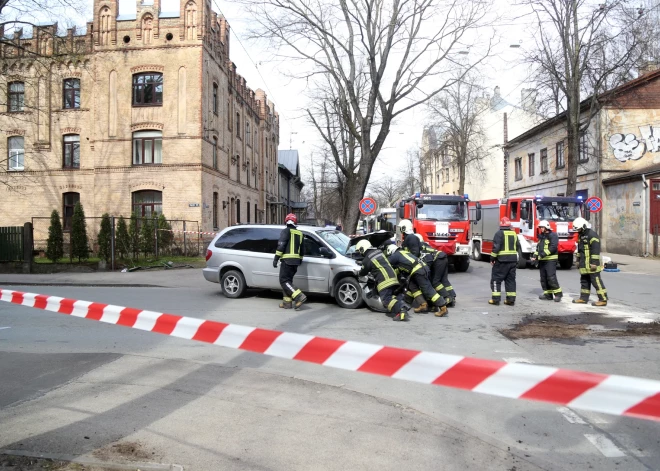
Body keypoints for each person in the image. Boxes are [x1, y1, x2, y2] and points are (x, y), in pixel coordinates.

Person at [386, 244, 448, 317]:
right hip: (420, 269)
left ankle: (443, 307)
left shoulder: (395, 255)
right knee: (413, 287)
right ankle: (423, 304)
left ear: (390, 251)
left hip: (418, 271)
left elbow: (386, 264)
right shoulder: (403, 252)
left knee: (427, 290)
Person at [356, 240, 410, 322]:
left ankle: (401, 309)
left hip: (384, 281)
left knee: (386, 300)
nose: (360, 253)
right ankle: (402, 304)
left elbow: (363, 272)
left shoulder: (367, 259)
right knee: (393, 296)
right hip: (393, 277)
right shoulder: (379, 252)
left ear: (362, 249)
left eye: (359, 251)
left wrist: (358, 272)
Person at [273, 213, 307, 309]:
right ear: (295, 222)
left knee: (284, 281)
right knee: (288, 281)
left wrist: (276, 259)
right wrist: (299, 260)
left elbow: (281, 245)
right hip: (295, 262)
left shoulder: (285, 231)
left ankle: (299, 296)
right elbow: (302, 250)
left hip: (287, 261)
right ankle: (287, 303)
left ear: (286, 221)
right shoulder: (300, 234)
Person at [572, 217, 608, 306]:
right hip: (584, 264)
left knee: (596, 282)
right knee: (584, 282)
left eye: (579, 229)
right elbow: (580, 250)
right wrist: (578, 260)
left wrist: (594, 263)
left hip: (591, 265)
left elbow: (595, 251)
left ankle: (603, 299)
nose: (578, 231)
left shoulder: (592, 235)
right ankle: (583, 298)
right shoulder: (581, 235)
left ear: (583, 226)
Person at [415, 233, 456, 307]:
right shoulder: (425, 245)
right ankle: (452, 295)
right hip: (443, 257)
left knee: (435, 281)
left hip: (438, 260)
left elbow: (428, 259)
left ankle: (447, 297)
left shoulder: (421, 247)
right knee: (443, 279)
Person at [489, 217, 520, 306]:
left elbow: (496, 247)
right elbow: (517, 246)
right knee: (510, 280)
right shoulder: (514, 234)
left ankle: (495, 299)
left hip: (501, 261)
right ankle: (510, 300)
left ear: (501, 225)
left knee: (496, 280)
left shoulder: (499, 233)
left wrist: (492, 258)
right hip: (513, 261)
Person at [532, 220, 562, 302]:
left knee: (551, 277)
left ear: (546, 227)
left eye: (542, 227)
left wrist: (542, 255)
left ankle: (558, 294)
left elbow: (553, 247)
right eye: (540, 227)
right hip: (542, 260)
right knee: (543, 278)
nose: (541, 229)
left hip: (550, 260)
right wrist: (535, 255)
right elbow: (538, 248)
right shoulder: (541, 236)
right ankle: (548, 294)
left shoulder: (553, 235)